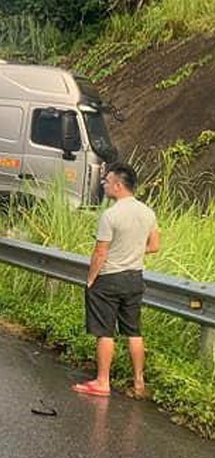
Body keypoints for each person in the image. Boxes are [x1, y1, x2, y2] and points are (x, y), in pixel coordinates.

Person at [72, 163, 160, 399]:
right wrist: (131, 250)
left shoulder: (110, 215)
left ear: (118, 185)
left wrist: (91, 279)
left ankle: (102, 382)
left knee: (105, 332)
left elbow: (100, 252)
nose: (105, 184)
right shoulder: (148, 212)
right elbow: (154, 246)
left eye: (107, 181)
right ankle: (139, 382)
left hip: (109, 279)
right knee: (134, 331)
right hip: (134, 278)